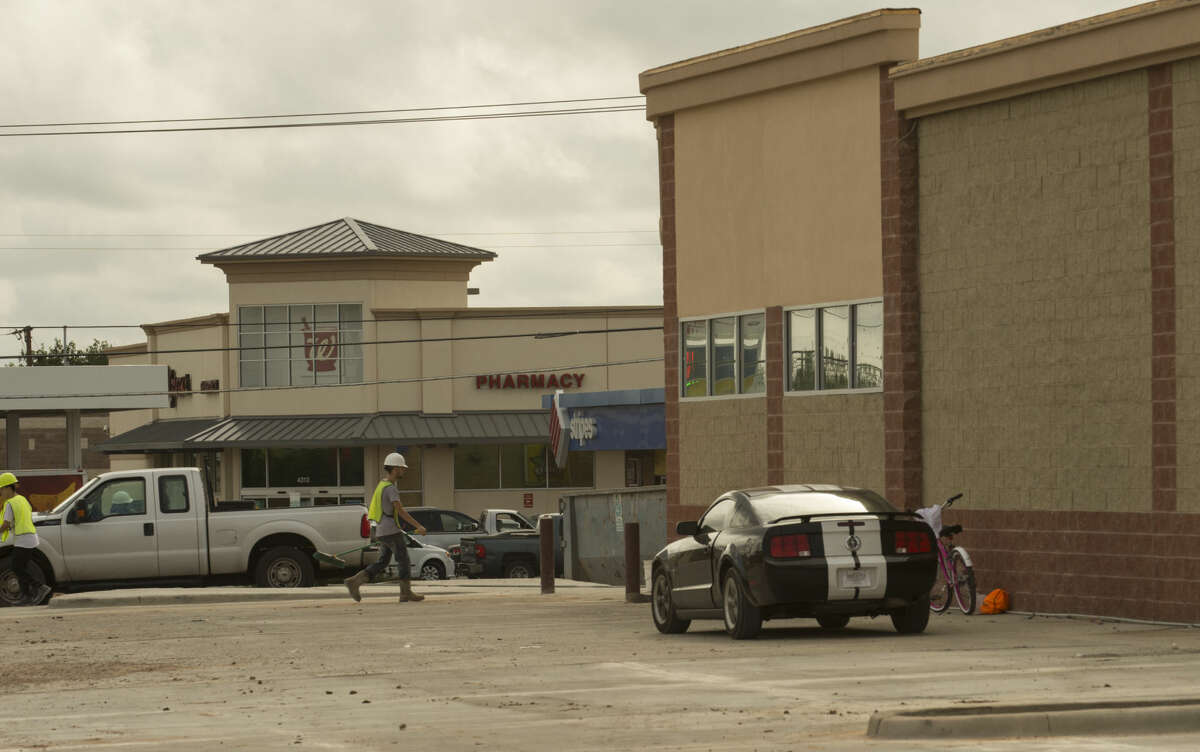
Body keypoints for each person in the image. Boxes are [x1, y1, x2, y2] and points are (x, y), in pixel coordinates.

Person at [344, 453, 427, 603]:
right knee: (404, 560)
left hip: (382, 529)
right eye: (402, 468)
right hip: (390, 530)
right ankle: (405, 593)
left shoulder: (381, 485)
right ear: (395, 469)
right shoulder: (390, 488)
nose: (403, 471)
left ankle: (354, 581)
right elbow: (400, 511)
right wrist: (419, 526)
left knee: (383, 561)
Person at [0, 473, 51, 606]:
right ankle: (26, 597)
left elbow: (5, 524)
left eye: (1, 489)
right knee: (22, 567)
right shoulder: (22, 499)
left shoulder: (10, 503)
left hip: (23, 539)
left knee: (16, 568)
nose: (1, 493)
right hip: (30, 537)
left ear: (8, 488)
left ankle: (40, 587)